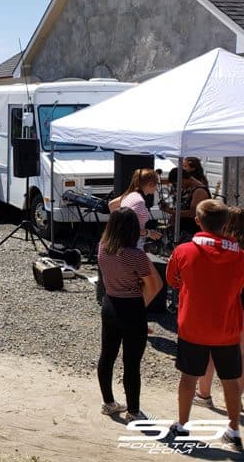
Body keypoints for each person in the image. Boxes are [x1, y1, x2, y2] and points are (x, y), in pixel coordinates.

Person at [166, 200, 244, 447]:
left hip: (193, 326)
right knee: (231, 380)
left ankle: (182, 426)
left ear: (197, 221)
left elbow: (172, 280)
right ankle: (233, 429)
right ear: (226, 223)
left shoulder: (184, 251)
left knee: (188, 378)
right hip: (227, 327)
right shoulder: (240, 256)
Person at [96, 208, 162, 421]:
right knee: (131, 363)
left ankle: (108, 402)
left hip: (110, 304)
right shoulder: (137, 256)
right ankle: (133, 411)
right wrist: (139, 308)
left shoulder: (102, 247)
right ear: (133, 229)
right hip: (132, 306)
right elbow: (154, 285)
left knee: (107, 356)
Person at [195, 206, 244, 408]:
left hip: (219, 303)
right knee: (241, 354)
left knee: (210, 351)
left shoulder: (219, 247)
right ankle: (236, 399)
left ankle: (204, 395)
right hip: (241, 302)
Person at [118, 168, 161, 248]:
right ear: (150, 184)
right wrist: (150, 233)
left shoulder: (128, 196)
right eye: (157, 184)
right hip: (132, 246)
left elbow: (111, 204)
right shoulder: (138, 201)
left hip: (126, 244)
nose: (156, 188)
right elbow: (130, 228)